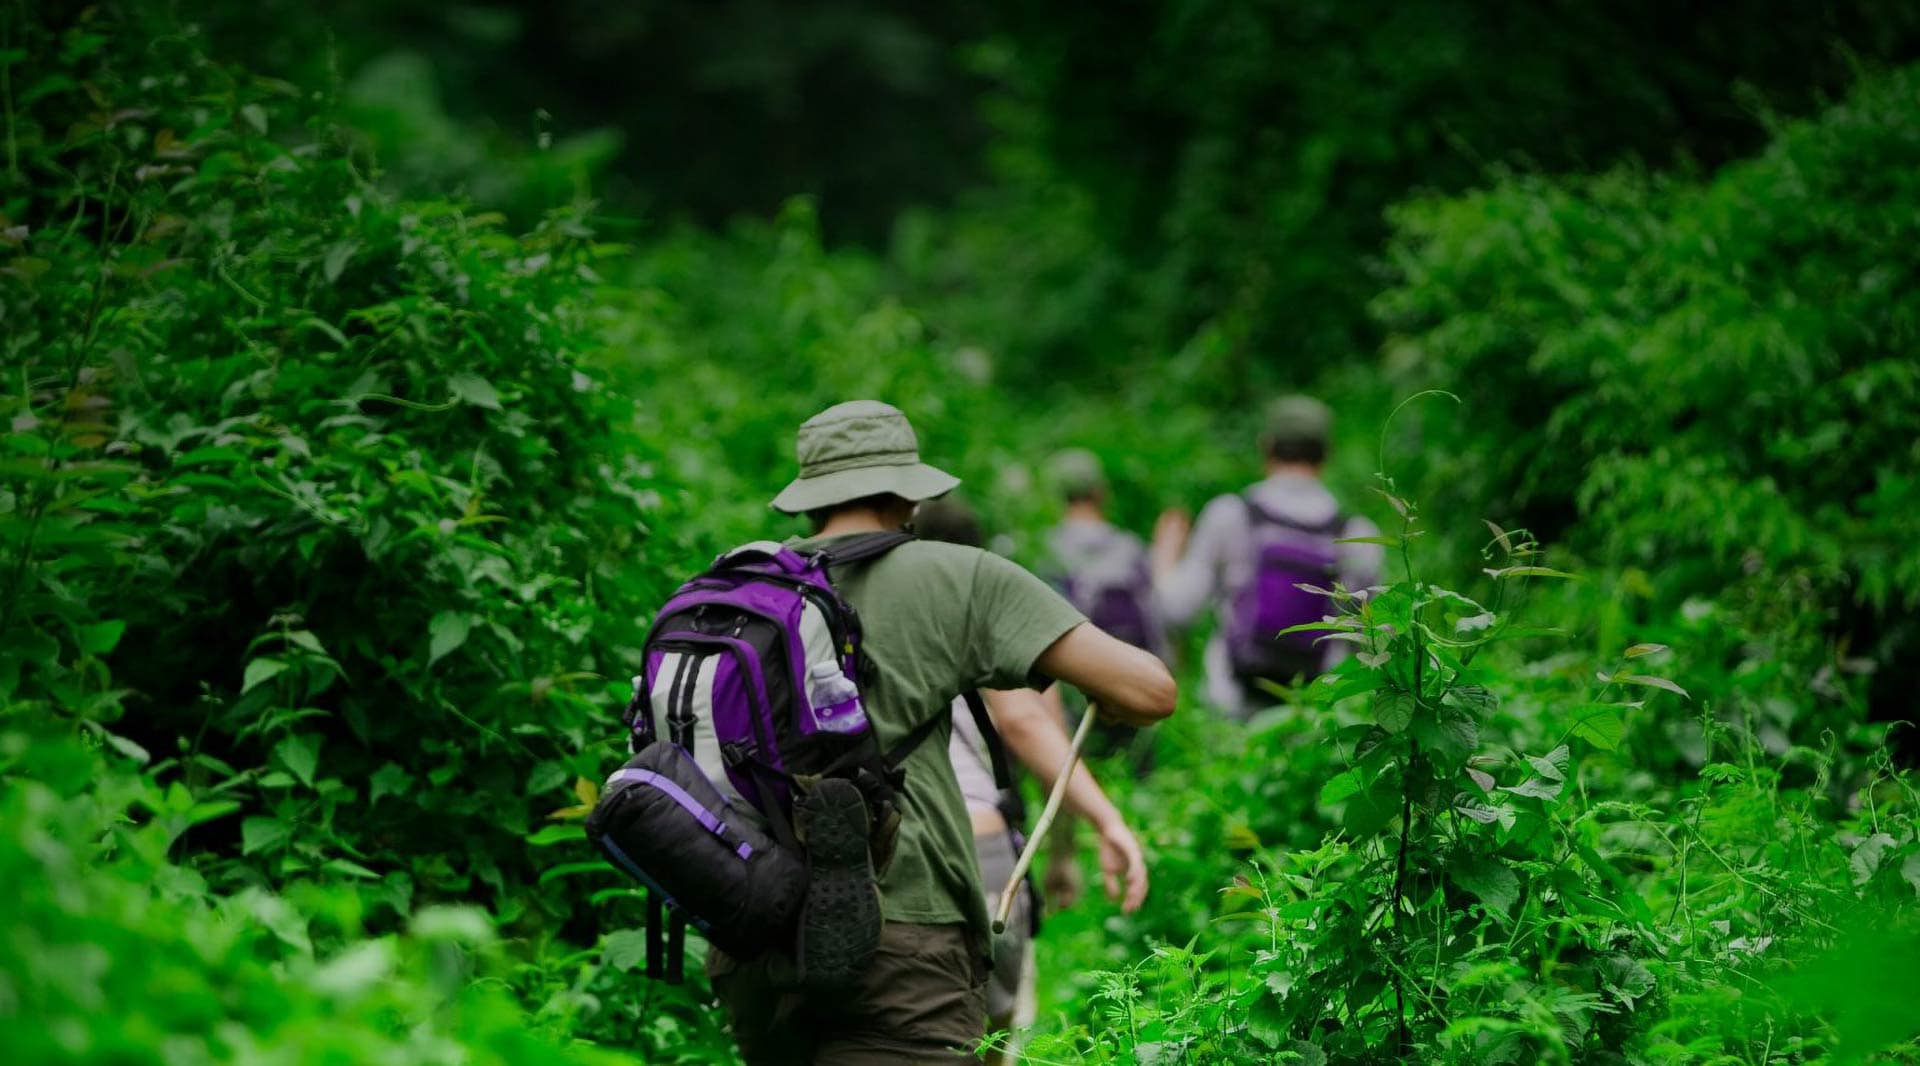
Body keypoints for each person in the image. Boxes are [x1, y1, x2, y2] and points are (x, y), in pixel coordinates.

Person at [707, 400, 1177, 1065]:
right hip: (903, 940)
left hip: (755, 935)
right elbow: (1150, 690)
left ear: (809, 499)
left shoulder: (748, 585)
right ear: (908, 495)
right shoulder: (957, 575)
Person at [914, 497, 1149, 1065]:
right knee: (990, 1044)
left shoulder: (873, 613)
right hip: (983, 844)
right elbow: (1034, 727)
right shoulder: (988, 613)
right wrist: (1077, 840)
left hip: (897, 845)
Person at [1150, 395, 1383, 719]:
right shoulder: (1358, 533)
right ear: (1326, 454)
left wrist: (1164, 555)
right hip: (1317, 718)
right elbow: (1372, 644)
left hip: (1232, 712)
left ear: (1266, 446)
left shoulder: (1230, 515)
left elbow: (1177, 611)